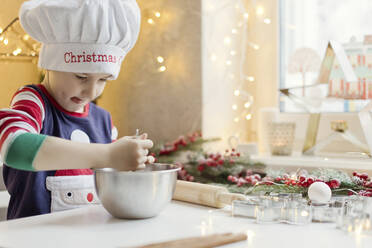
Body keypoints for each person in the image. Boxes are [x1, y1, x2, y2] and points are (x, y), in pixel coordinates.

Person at [0, 0, 154, 219]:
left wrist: (129, 162)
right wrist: (110, 154)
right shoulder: (34, 102)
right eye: (81, 76)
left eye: (103, 80)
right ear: (50, 65)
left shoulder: (103, 121)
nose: (91, 92)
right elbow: (14, 147)